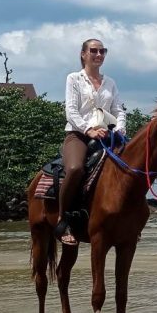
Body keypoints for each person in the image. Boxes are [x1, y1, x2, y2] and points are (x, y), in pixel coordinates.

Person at [57, 38, 127, 247]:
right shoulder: (74, 79)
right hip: (78, 134)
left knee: (130, 166)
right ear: (83, 54)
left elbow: (118, 110)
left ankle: (129, 220)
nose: (99, 55)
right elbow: (71, 111)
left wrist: (120, 129)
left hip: (107, 135)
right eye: (94, 51)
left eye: (102, 51)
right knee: (76, 168)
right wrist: (89, 129)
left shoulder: (111, 82)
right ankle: (63, 220)